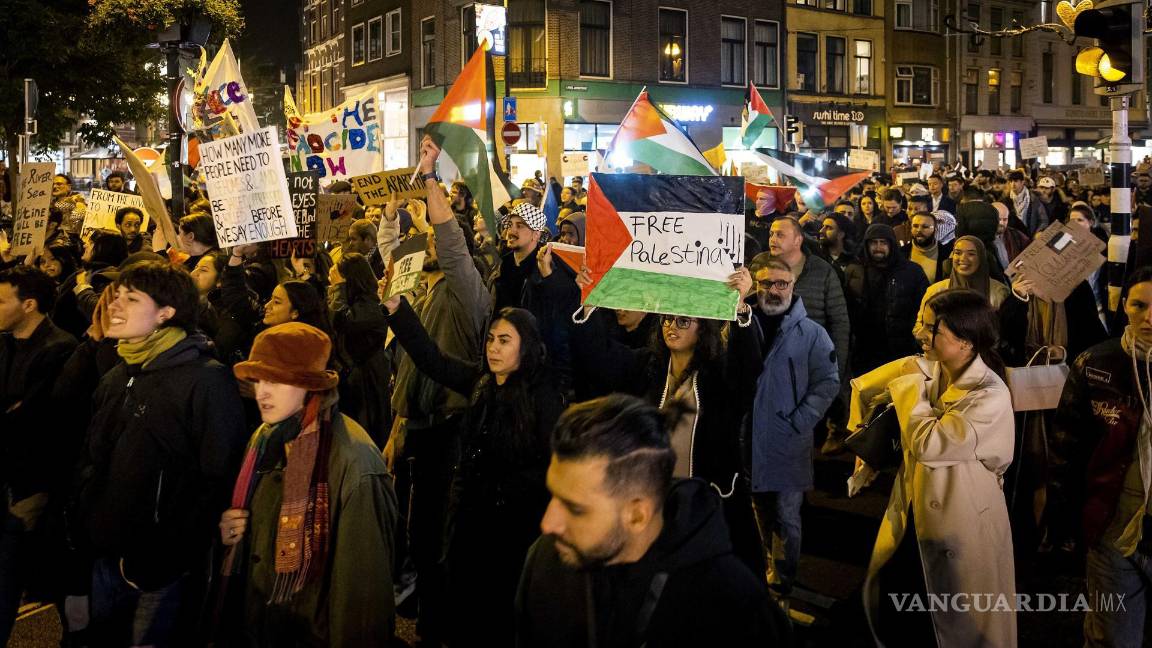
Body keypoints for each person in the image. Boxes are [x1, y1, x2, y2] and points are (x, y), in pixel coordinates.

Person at [515, 394, 790, 647]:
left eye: (575, 509)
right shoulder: (545, 562)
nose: (548, 524)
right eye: (553, 495)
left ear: (637, 515)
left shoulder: (735, 610)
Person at [73, 261, 248, 645]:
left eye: (131, 299)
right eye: (116, 296)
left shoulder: (206, 381)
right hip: (105, 555)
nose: (114, 306)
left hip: (160, 570)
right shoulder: (119, 372)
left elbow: (218, 477)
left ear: (166, 313)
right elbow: (92, 457)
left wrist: (167, 553)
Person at [384, 294, 562, 645]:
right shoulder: (482, 383)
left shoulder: (544, 399)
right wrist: (397, 311)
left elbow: (552, 467)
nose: (493, 348)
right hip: (470, 524)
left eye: (505, 340)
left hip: (512, 532)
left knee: (495, 617)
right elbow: (432, 359)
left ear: (526, 347)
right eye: (492, 339)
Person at [850, 288, 1016, 647]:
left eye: (931, 329)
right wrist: (865, 444)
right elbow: (863, 388)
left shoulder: (990, 394)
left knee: (958, 621)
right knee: (907, 614)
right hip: (915, 515)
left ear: (966, 342)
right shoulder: (931, 370)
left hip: (964, 519)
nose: (919, 334)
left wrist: (909, 391)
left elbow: (929, 444)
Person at [217, 323, 398, 646]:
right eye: (259, 380)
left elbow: (361, 596)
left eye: (275, 380)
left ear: (308, 385)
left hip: (309, 633)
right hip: (261, 624)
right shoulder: (266, 436)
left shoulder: (353, 462)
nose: (262, 392)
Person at [388, 135, 493, 645]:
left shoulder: (470, 292)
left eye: (437, 239)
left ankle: (442, 626)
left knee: (439, 538)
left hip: (452, 429)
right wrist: (397, 427)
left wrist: (430, 174)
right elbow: (412, 363)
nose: (431, 242)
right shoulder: (425, 289)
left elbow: (450, 241)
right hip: (419, 426)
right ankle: (429, 618)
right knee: (419, 536)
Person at [1050, 266, 1152, 646]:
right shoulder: (1095, 364)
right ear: (1124, 305)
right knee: (1112, 637)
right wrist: (1062, 523)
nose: (1149, 318)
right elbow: (1067, 447)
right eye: (1139, 305)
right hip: (1113, 527)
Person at [744, 255, 840, 599]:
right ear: (755, 285)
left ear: (792, 286)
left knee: (785, 516)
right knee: (757, 511)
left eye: (781, 283)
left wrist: (799, 422)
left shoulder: (814, 335)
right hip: (749, 439)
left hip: (787, 441)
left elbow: (828, 382)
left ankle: (782, 582)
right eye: (766, 283)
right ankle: (764, 569)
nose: (773, 290)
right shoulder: (741, 322)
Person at [0, 267, 77, 642]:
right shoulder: (4, 343)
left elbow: (39, 422)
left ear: (28, 305)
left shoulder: (60, 349)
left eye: (1, 301)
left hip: (29, 487)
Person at [845, 223, 930, 374]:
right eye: (873, 242)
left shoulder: (911, 271)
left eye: (883, 242)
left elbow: (924, 308)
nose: (878, 247)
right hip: (865, 349)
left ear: (892, 244)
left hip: (901, 348)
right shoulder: (855, 270)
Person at [327, 252, 392, 447]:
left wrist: (338, 288)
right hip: (357, 382)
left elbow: (340, 320)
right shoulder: (357, 303)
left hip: (367, 384)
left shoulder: (371, 305)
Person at [916, 235, 1010, 332]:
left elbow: (1004, 330)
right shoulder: (936, 291)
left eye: (971, 254)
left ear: (981, 257)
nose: (963, 258)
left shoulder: (999, 292)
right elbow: (920, 327)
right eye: (958, 253)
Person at [490, 202, 548, 310]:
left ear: (536, 235)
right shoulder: (502, 263)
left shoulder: (543, 270)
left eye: (519, 226)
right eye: (510, 225)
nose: (511, 231)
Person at [907, 211, 952, 284]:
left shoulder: (947, 253)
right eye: (915, 226)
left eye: (925, 227)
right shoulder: (902, 252)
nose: (919, 230)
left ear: (935, 229)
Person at [818, 212, 857, 276]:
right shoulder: (816, 256)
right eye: (823, 226)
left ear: (841, 234)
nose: (821, 231)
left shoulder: (853, 262)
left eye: (829, 228)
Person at [52, 174, 88, 239]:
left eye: (59, 184)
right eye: (53, 184)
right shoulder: (49, 204)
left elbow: (79, 219)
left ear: (68, 187)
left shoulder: (78, 201)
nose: (54, 186)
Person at [747, 188, 782, 253]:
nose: (758, 202)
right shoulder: (748, 214)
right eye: (757, 198)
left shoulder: (779, 219)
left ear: (772, 200)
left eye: (762, 199)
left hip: (764, 257)